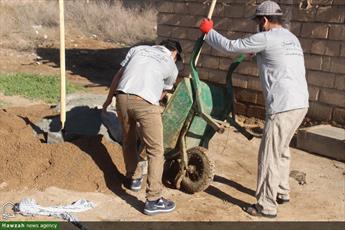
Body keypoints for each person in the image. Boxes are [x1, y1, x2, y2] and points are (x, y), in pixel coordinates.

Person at [199, 0, 309, 218]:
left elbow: (230, 46)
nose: (258, 26)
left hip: (283, 106)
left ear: (265, 20)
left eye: (258, 22)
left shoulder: (266, 37)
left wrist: (209, 32)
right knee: (282, 149)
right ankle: (282, 191)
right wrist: (254, 54)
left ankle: (266, 206)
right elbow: (275, 58)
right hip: (301, 104)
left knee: (269, 155)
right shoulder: (291, 38)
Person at [102, 39, 183, 215]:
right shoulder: (171, 64)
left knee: (128, 139)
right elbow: (162, 93)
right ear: (174, 53)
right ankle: (153, 200)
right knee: (156, 150)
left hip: (122, 97)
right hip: (145, 102)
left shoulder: (137, 49)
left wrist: (109, 99)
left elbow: (118, 76)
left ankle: (133, 178)